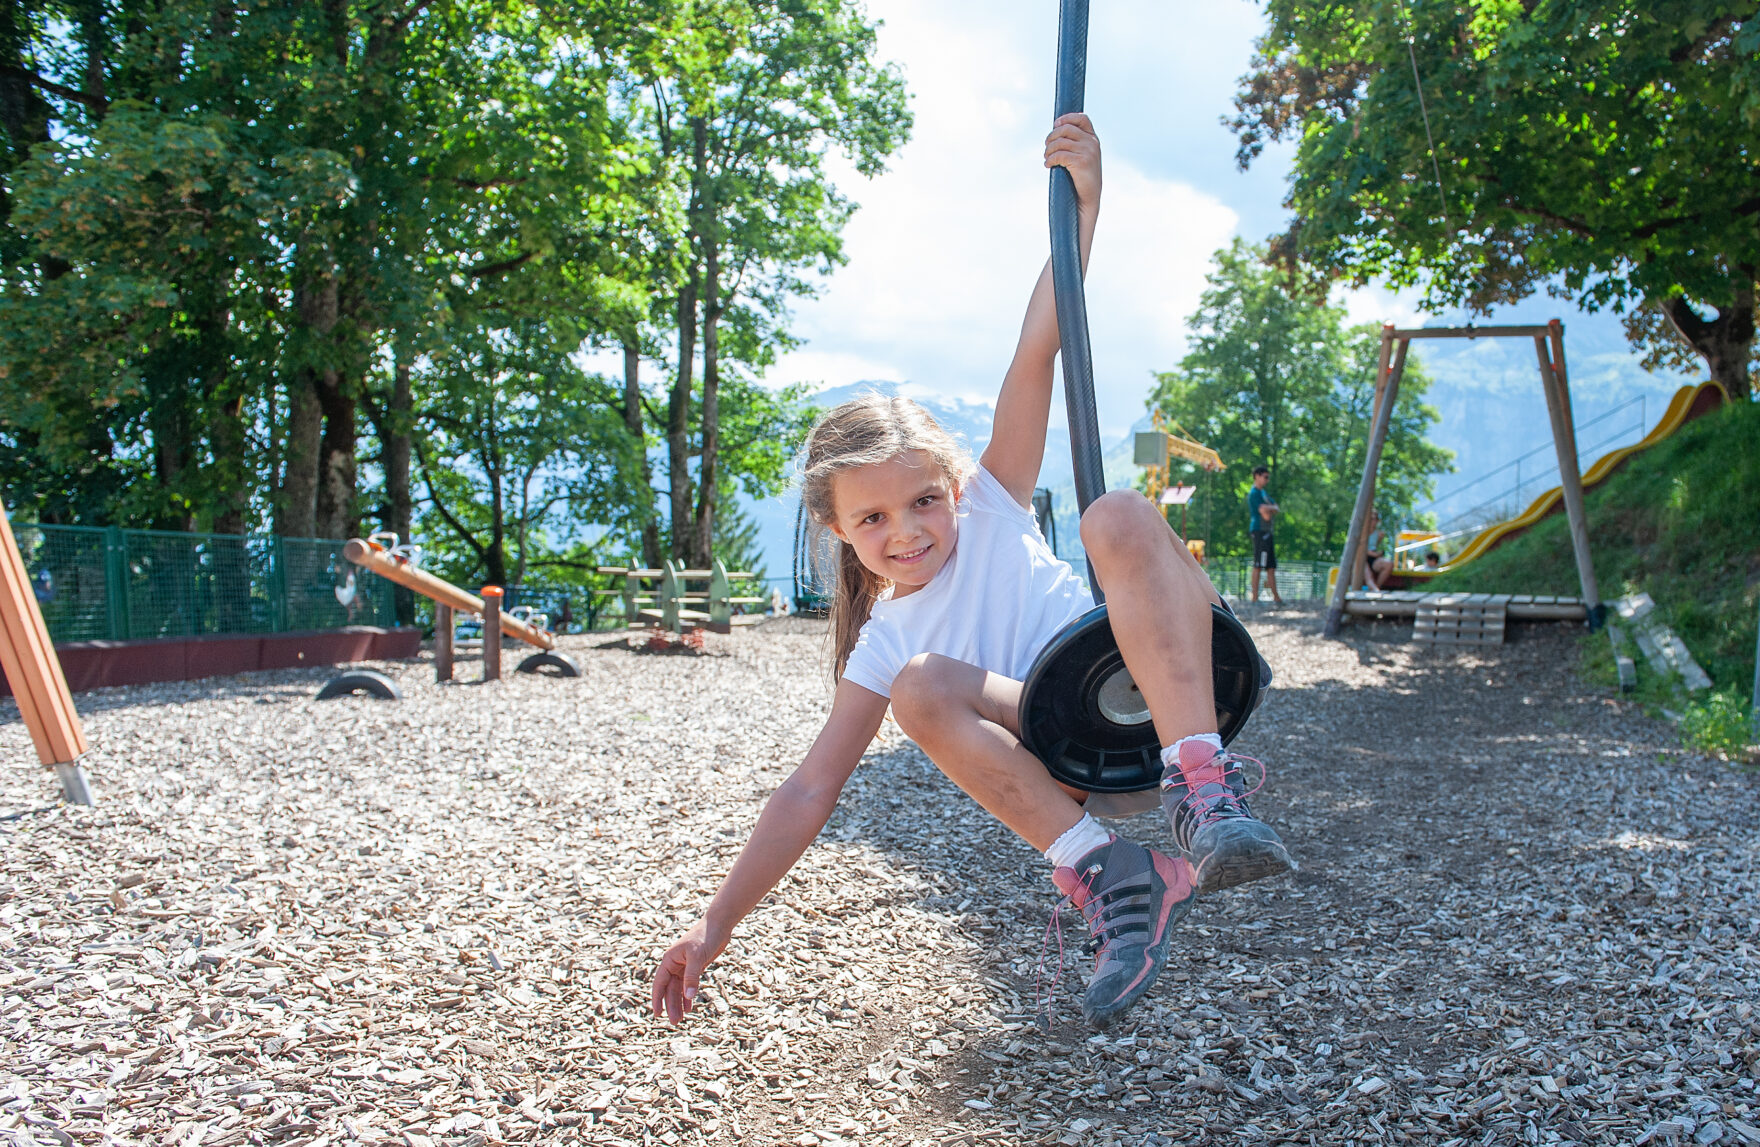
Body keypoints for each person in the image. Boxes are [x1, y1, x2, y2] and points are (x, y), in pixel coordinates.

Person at [650, 114, 1292, 1032]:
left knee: (1114, 513)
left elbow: (1041, 346)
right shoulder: (886, 640)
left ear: (953, 486)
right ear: (838, 530)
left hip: (1167, 683)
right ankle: (1106, 868)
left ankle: (1206, 785)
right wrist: (714, 924)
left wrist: (1085, 207)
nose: (907, 531)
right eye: (871, 518)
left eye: (922, 501)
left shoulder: (992, 503)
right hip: (1075, 747)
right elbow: (807, 790)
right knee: (922, 686)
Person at [1246, 466, 1281, 604]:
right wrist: (1270, 509)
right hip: (1259, 531)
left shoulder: (1264, 493)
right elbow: (1264, 513)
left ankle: (1276, 598)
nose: (1267, 480)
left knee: (1271, 566)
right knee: (1258, 564)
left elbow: (1274, 508)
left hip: (1267, 532)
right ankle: (1254, 598)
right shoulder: (1254, 493)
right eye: (1265, 477)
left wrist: (1270, 509)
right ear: (1257, 476)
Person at [1360, 509, 1393, 591]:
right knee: (1368, 574)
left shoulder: (1379, 534)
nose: (1373, 521)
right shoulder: (1361, 531)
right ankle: (1374, 589)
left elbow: (1374, 546)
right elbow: (1360, 549)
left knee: (1389, 564)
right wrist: (1374, 554)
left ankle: (1377, 587)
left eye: (1375, 519)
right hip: (1362, 558)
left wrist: (1377, 554)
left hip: (1373, 558)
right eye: (1371, 519)